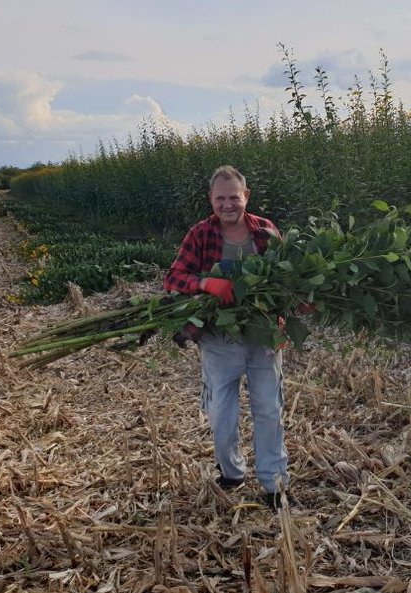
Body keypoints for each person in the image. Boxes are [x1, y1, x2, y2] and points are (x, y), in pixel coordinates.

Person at [163, 165, 289, 510]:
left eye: (234, 197)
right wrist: (206, 284)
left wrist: (287, 316)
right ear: (211, 200)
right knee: (221, 413)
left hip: (263, 338)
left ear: (246, 196)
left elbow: (286, 283)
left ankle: (274, 485)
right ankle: (232, 472)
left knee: (268, 410)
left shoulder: (266, 232)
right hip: (219, 341)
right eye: (221, 198)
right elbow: (173, 278)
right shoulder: (200, 234)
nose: (228, 204)